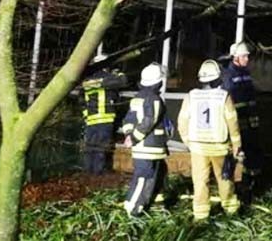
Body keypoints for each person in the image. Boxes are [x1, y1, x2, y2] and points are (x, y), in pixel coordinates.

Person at [178, 59, 242, 220]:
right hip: (219, 146)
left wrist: (188, 141)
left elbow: (182, 121)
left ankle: (200, 215)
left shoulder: (191, 96)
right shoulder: (223, 96)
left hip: (198, 147)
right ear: (217, 78)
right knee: (224, 178)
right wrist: (236, 145)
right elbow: (232, 122)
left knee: (199, 181)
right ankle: (230, 210)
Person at [121, 62, 169, 216]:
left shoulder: (137, 98)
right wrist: (134, 138)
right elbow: (149, 121)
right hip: (150, 147)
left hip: (142, 148)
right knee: (143, 178)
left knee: (152, 177)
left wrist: (129, 135)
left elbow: (128, 120)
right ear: (158, 81)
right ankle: (132, 209)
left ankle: (152, 204)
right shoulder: (154, 99)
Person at [221, 41, 262, 199]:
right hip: (237, 122)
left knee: (252, 153)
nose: (247, 59)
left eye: (247, 56)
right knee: (234, 154)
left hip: (249, 121)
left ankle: (249, 185)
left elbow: (250, 97)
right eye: (244, 56)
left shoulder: (245, 73)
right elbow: (228, 102)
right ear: (236, 57)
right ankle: (230, 186)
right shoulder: (229, 75)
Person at [81, 53, 128, 174]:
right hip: (104, 119)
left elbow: (81, 99)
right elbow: (123, 81)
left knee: (90, 148)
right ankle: (98, 173)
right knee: (101, 148)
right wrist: (118, 72)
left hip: (91, 119)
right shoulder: (106, 78)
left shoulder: (87, 79)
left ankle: (87, 173)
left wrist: (86, 115)